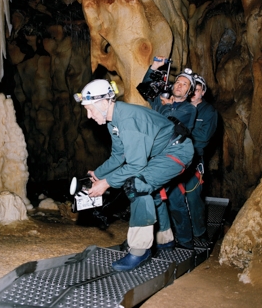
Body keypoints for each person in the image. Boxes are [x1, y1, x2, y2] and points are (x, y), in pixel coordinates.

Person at [74, 79, 194, 271]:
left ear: (105, 103)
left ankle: (140, 250)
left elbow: (136, 165)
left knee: (137, 185)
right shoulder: (113, 120)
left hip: (176, 152)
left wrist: (106, 183)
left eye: (90, 109)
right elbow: (118, 156)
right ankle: (164, 240)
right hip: (163, 153)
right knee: (151, 191)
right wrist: (97, 174)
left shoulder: (128, 120)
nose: (89, 115)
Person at [141, 57, 198, 251]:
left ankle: (186, 242)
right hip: (157, 157)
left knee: (175, 199)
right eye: (179, 82)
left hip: (173, 158)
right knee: (153, 195)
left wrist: (165, 105)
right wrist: (154, 68)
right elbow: (146, 89)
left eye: (185, 84)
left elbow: (171, 125)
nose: (180, 85)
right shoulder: (163, 101)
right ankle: (163, 238)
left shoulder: (189, 109)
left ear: (189, 92)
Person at [184, 75, 218, 241]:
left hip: (194, 160)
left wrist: (182, 134)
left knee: (193, 197)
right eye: (191, 90)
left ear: (203, 92)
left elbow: (204, 138)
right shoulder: (181, 108)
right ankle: (181, 233)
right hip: (174, 158)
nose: (193, 93)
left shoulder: (209, 112)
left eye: (196, 90)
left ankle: (199, 232)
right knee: (174, 197)